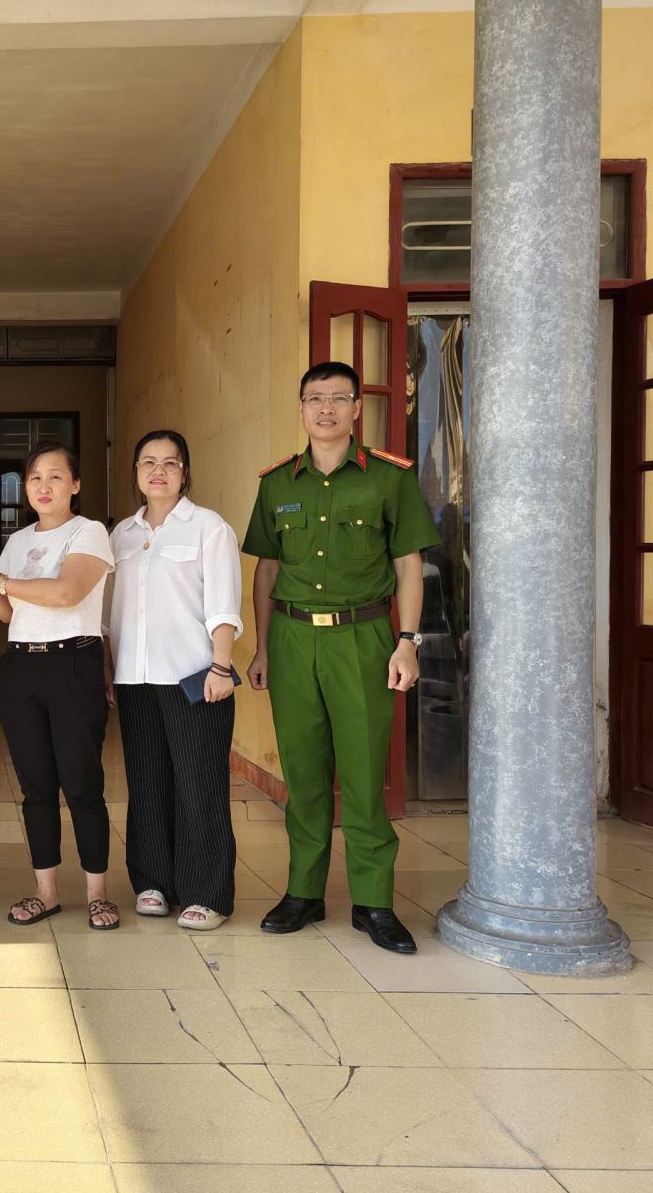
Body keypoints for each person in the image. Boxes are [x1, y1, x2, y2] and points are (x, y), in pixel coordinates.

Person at [243, 360, 439, 954]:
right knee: (303, 774)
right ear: (301, 409)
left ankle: (373, 902)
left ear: (357, 409)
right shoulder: (277, 484)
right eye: (314, 398)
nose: (324, 408)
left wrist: (408, 641)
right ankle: (303, 892)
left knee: (362, 772)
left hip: (364, 638)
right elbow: (267, 570)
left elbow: (408, 564)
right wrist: (263, 647)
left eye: (337, 398)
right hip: (293, 638)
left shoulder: (389, 478)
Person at [0, 441, 119, 930]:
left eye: (56, 476)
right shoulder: (18, 541)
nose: (44, 486)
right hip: (21, 667)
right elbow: (8, 613)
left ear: (75, 485)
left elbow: (66, 593)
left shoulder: (89, 532)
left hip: (73, 664)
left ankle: (98, 894)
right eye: (35, 477)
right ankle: (46, 892)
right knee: (36, 788)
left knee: (82, 784)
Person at [107, 429, 242, 929]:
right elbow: (110, 612)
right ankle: (152, 883)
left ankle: (206, 893)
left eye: (170, 462)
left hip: (195, 678)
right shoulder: (121, 535)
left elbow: (224, 604)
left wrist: (221, 666)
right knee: (146, 783)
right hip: (134, 678)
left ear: (185, 472)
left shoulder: (209, 527)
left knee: (199, 785)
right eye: (148, 462)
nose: (158, 471)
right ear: (136, 472)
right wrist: (109, 670)